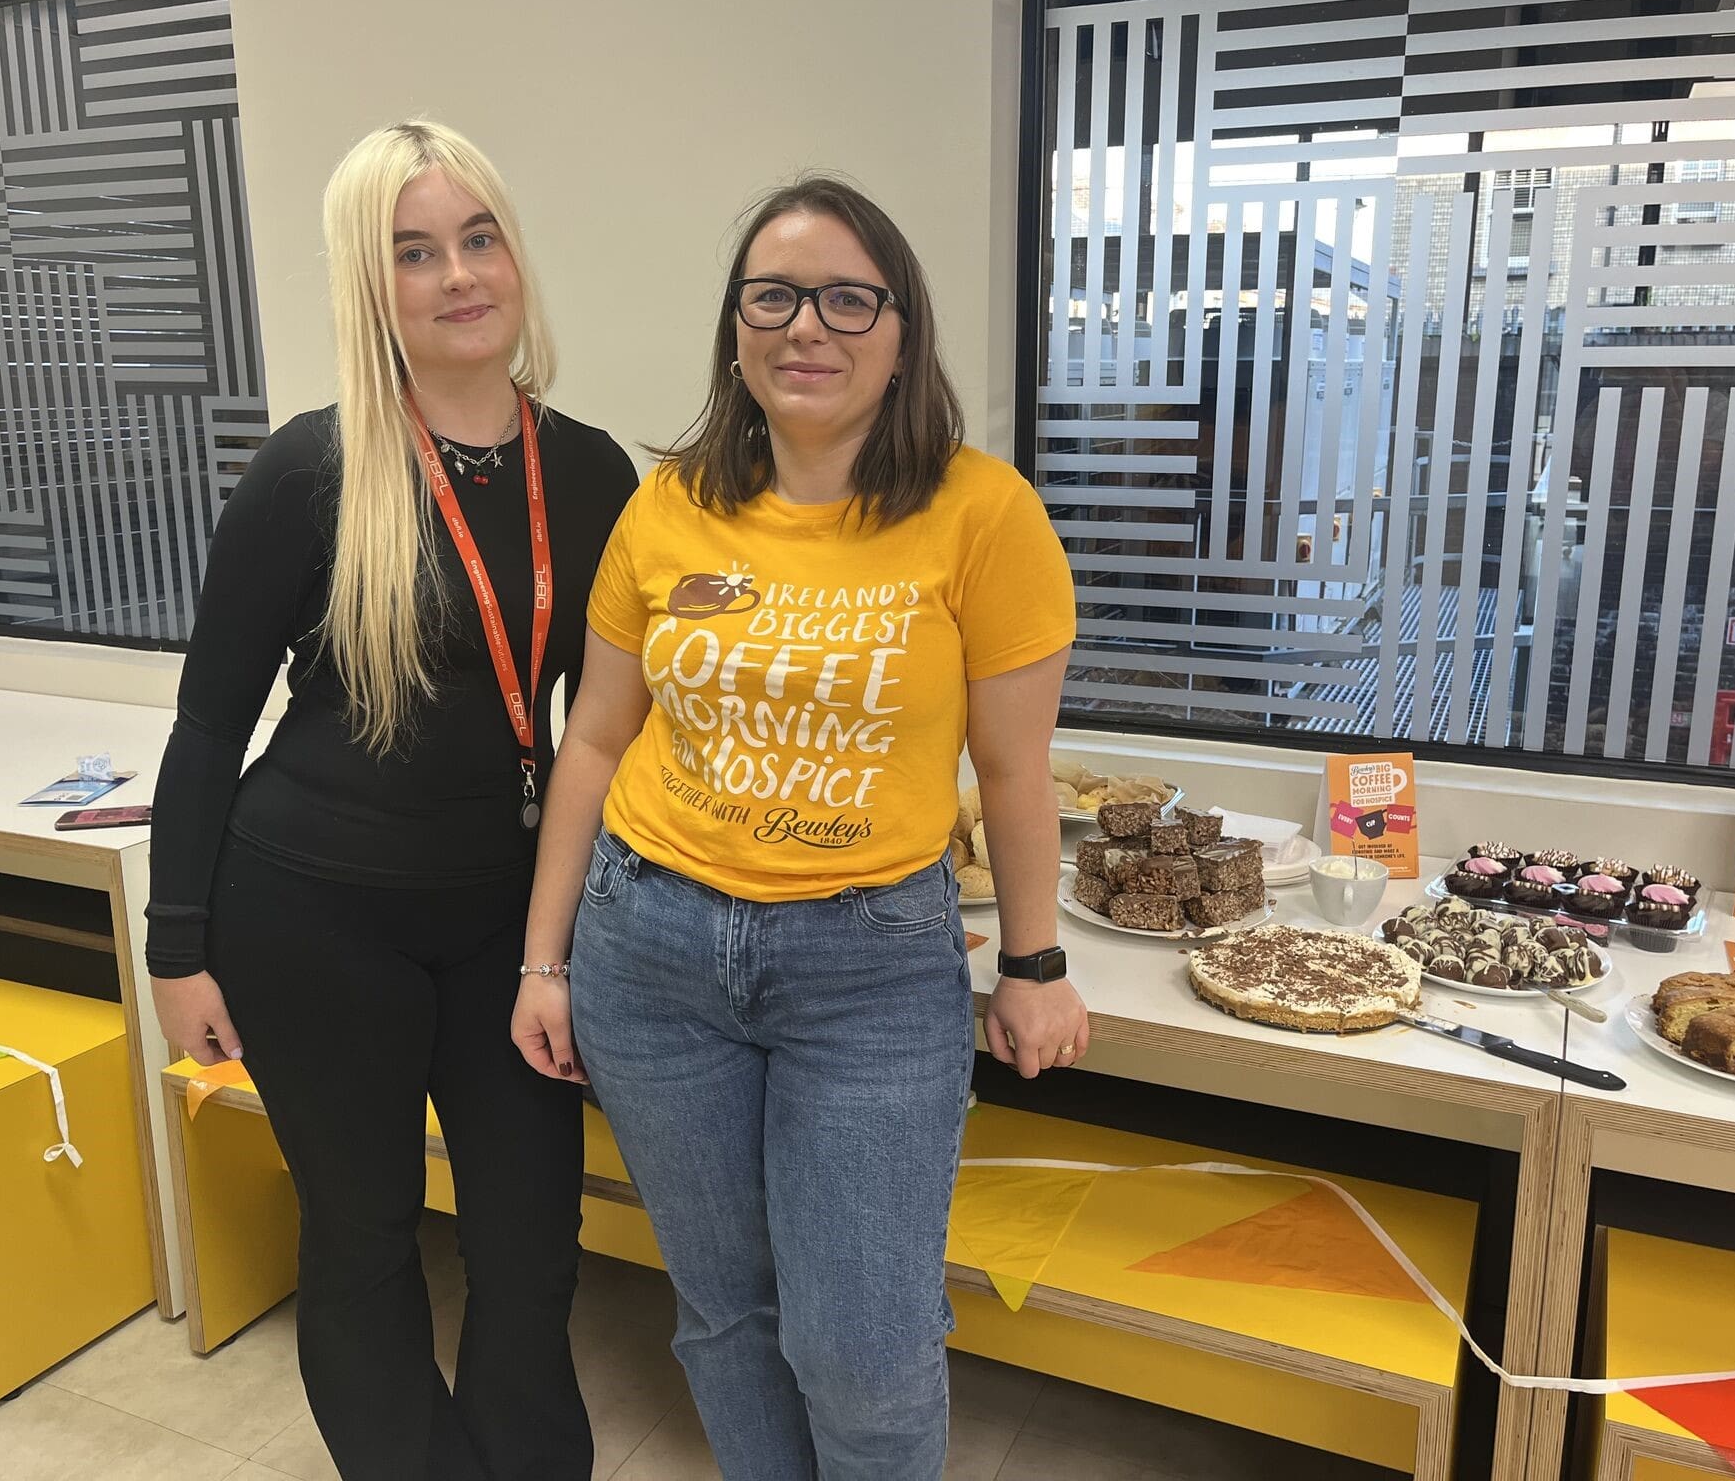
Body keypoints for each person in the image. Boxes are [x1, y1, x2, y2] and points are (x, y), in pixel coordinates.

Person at [511, 174, 1086, 1479]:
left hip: (867, 971)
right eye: (772, 297)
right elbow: (593, 740)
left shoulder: (983, 513)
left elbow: (1014, 771)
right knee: (724, 1316)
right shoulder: (670, 505)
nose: (806, 326)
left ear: (902, 333)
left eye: (846, 300)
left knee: (863, 1346)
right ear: (736, 329)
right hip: (648, 950)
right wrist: (547, 962)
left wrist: (1035, 963)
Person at [144, 120, 635, 1481]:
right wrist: (175, 948)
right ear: (372, 285)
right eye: (414, 253)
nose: (458, 275)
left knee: (531, 1244)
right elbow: (208, 724)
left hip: (509, 924)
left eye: (478, 240)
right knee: (362, 1240)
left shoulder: (593, 473)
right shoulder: (310, 470)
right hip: (310, 916)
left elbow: (610, 733)